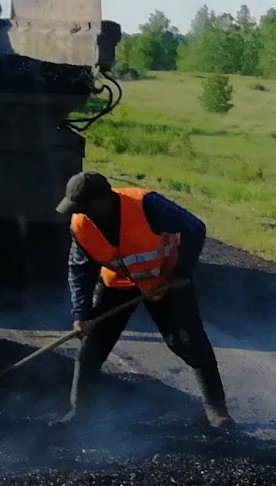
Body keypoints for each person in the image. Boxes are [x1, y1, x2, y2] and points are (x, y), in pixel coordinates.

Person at [54, 172, 233, 428]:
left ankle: (216, 410)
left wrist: (183, 272)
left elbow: (194, 227)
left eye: (84, 206)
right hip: (119, 282)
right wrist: (81, 314)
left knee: (189, 342)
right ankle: (79, 412)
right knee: (91, 347)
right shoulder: (81, 224)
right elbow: (80, 269)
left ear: (104, 199)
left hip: (165, 278)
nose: (80, 213)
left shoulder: (146, 204)